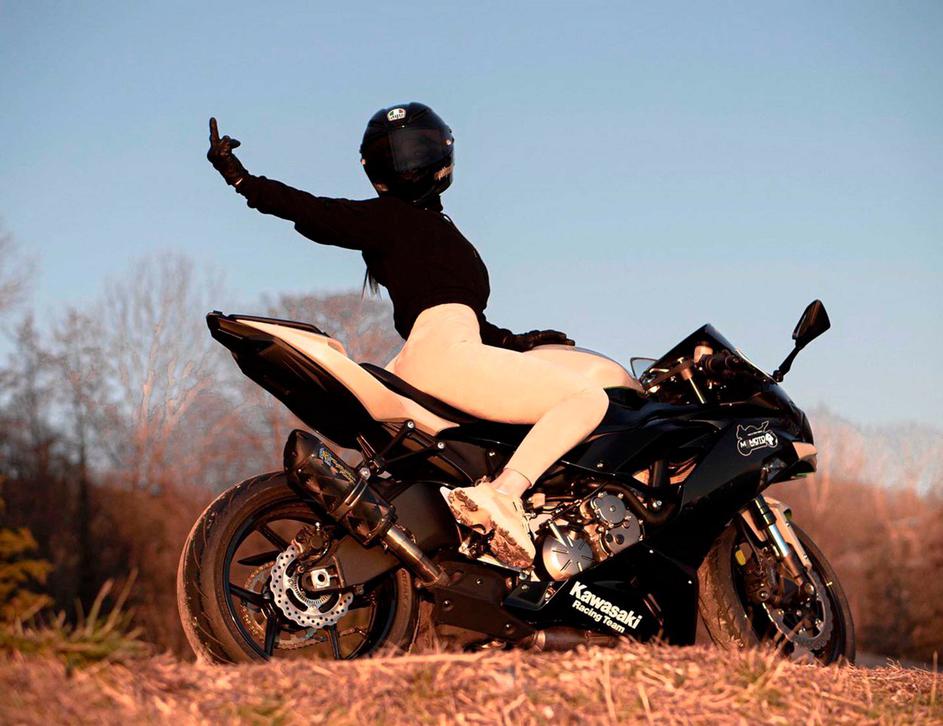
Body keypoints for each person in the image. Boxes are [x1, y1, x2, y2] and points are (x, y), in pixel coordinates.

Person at [207, 103, 610, 569]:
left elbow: (462, 315)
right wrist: (242, 180)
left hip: (423, 360)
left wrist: (518, 341)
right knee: (587, 398)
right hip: (448, 355)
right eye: (396, 153)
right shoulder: (392, 218)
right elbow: (316, 212)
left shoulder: (424, 228)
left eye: (415, 148)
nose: (407, 162)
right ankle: (503, 495)